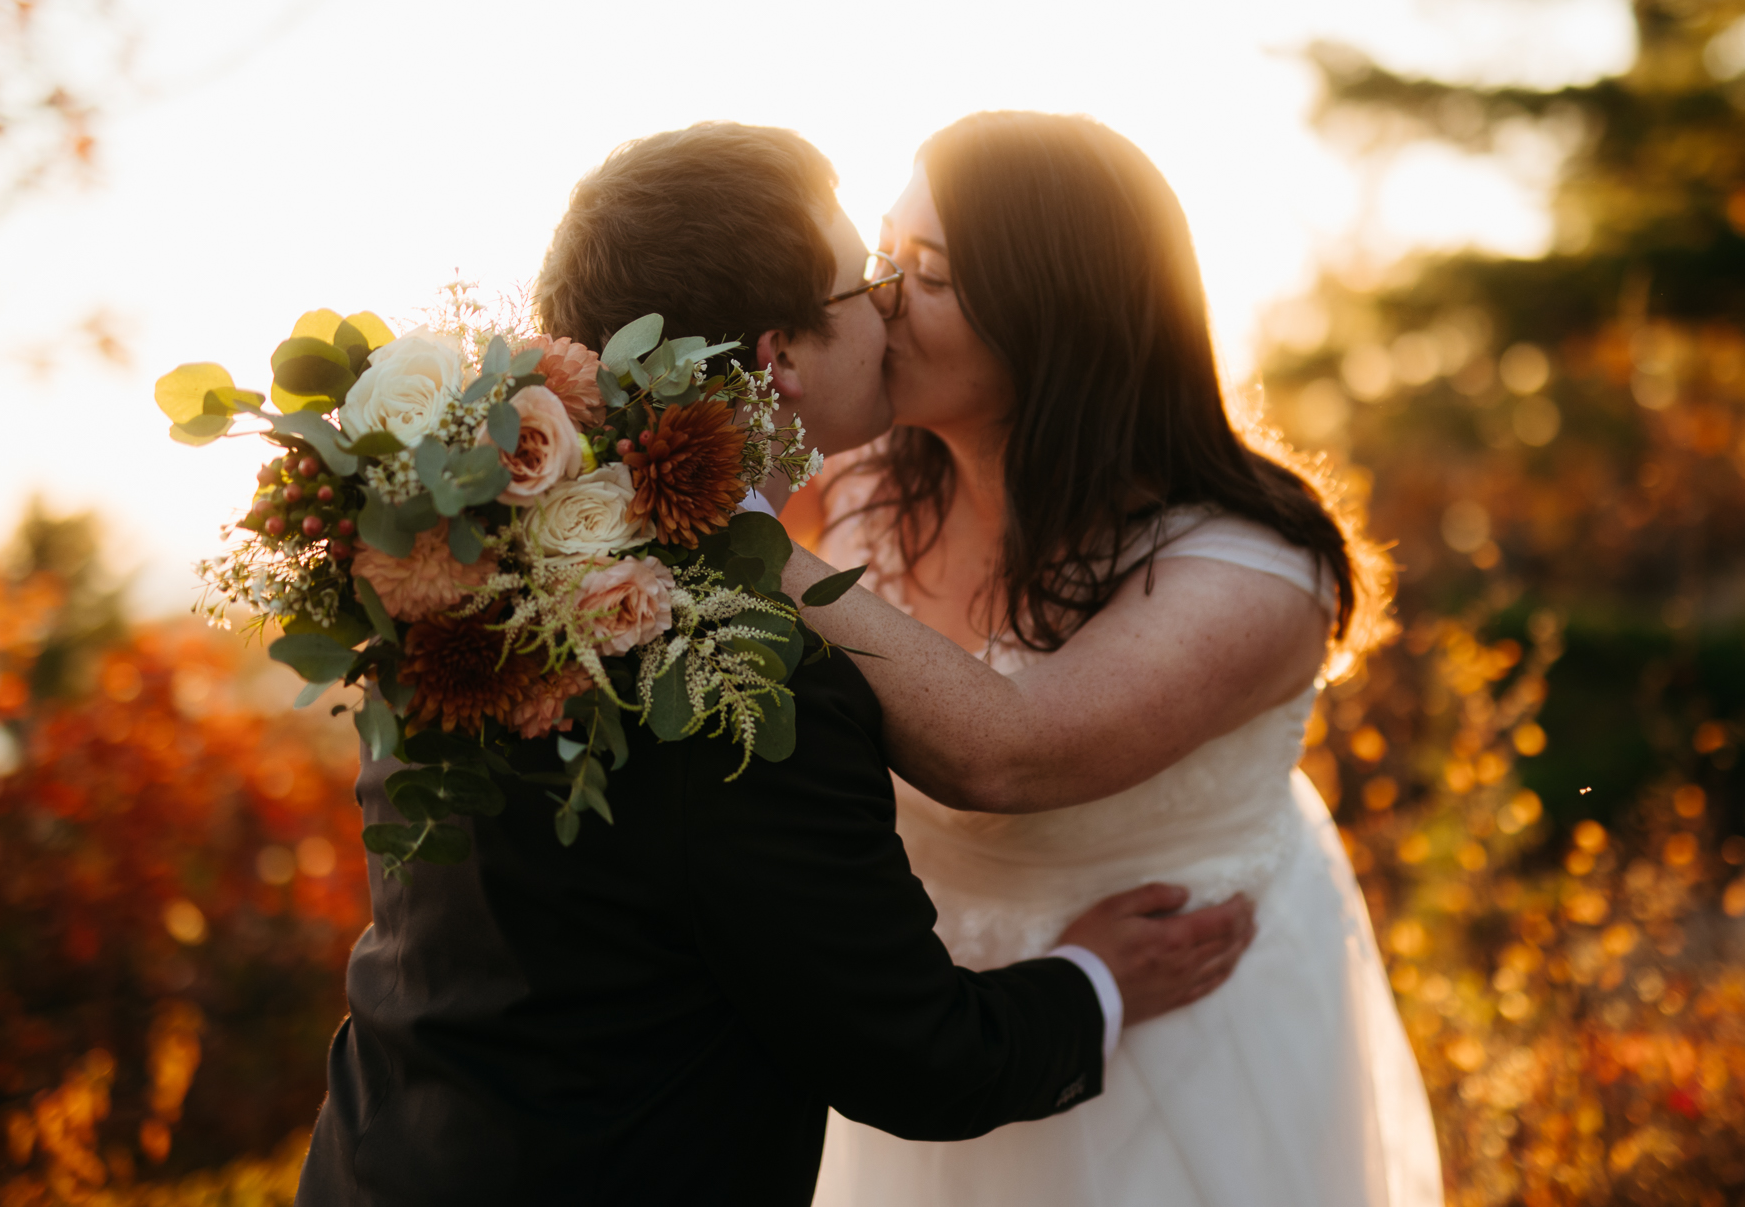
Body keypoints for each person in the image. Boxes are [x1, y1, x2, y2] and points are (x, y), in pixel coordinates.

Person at [295, 122, 1256, 1207]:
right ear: (776, 358)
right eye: (864, 284)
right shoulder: (744, 676)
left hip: (372, 1164)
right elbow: (923, 1059)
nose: (888, 304)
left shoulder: (455, 545)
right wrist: (1098, 981)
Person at [781, 112, 1445, 1207]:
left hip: (1181, 1048)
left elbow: (1009, 756)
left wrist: (734, 544)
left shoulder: (1249, 573)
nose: (875, 299)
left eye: (927, 273)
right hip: (929, 1038)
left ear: (1059, 315)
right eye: (880, 256)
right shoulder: (853, 493)